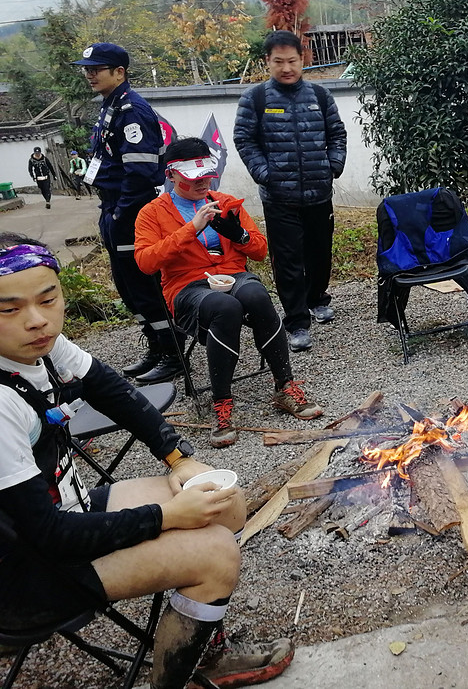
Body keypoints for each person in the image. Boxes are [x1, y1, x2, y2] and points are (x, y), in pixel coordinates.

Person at [0, 233, 294, 689]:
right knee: (216, 553)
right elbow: (50, 537)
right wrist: (166, 516)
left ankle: (200, 647)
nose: (37, 321)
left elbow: (113, 391)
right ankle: (176, 678)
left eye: (48, 298)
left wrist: (178, 458)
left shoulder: (42, 349)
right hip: (24, 578)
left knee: (223, 500)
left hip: (62, 518)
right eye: (9, 309)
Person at [135, 138, 325, 449]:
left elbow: (261, 251)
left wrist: (238, 234)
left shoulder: (225, 201)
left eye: (207, 176)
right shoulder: (152, 213)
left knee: (256, 296)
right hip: (186, 286)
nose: (203, 183)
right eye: (193, 178)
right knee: (225, 307)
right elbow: (145, 262)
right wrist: (191, 228)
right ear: (171, 175)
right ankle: (221, 404)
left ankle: (284, 386)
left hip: (233, 275)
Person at [70, 42, 184, 385]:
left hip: (130, 209)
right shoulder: (111, 106)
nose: (90, 75)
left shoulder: (132, 110)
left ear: (119, 72)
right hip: (113, 205)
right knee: (126, 284)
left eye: (97, 69)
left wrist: (121, 213)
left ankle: (173, 351)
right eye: (87, 69)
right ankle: (156, 344)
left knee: (142, 283)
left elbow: (142, 171)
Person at [234, 31, 348, 354]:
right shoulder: (255, 99)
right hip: (279, 196)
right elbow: (244, 140)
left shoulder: (320, 96)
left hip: (318, 191)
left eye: (292, 61)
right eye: (278, 61)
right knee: (287, 260)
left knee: (319, 252)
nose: (286, 68)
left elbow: (337, 134)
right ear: (267, 62)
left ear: (303, 60)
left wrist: (333, 165)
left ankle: (317, 299)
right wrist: (264, 174)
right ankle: (296, 321)